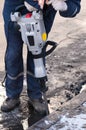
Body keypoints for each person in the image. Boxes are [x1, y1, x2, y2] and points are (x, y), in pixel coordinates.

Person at [1, 0, 81, 113]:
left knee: (37, 52)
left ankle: (35, 95)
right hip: (15, 7)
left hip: (45, 13)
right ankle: (12, 95)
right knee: (13, 53)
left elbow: (75, 6)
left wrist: (65, 6)